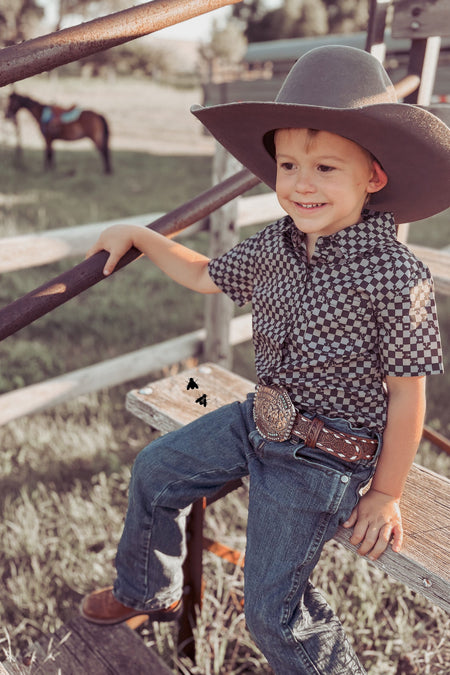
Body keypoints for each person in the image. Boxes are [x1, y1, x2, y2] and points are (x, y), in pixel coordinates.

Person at [80, 46, 449, 674]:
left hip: (325, 458)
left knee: (272, 613)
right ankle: (149, 591)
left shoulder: (395, 276)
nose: (303, 184)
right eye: (288, 166)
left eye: (327, 167)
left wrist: (384, 492)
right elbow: (202, 275)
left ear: (374, 177)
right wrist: (142, 236)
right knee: (156, 471)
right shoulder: (276, 247)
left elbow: (408, 395)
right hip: (257, 420)